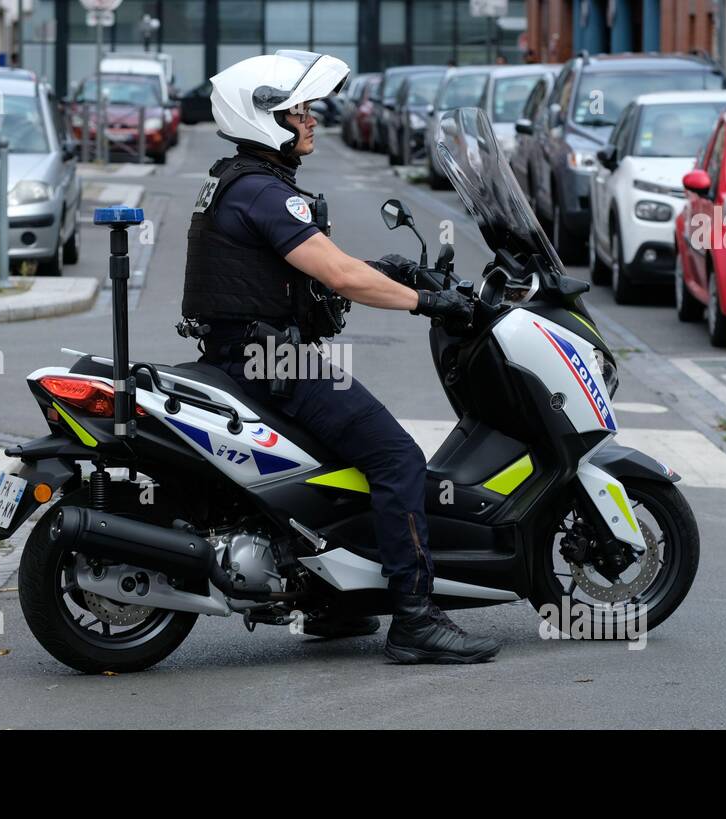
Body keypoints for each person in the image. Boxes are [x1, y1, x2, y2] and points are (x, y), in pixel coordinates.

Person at [180, 50, 501, 664]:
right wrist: (428, 305)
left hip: (240, 352)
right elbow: (339, 276)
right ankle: (416, 618)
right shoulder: (263, 192)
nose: (312, 122)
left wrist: (396, 269)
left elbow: (310, 266)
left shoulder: (238, 181)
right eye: (300, 111)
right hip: (271, 361)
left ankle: (333, 601)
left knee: (331, 465)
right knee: (396, 456)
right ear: (266, 116)